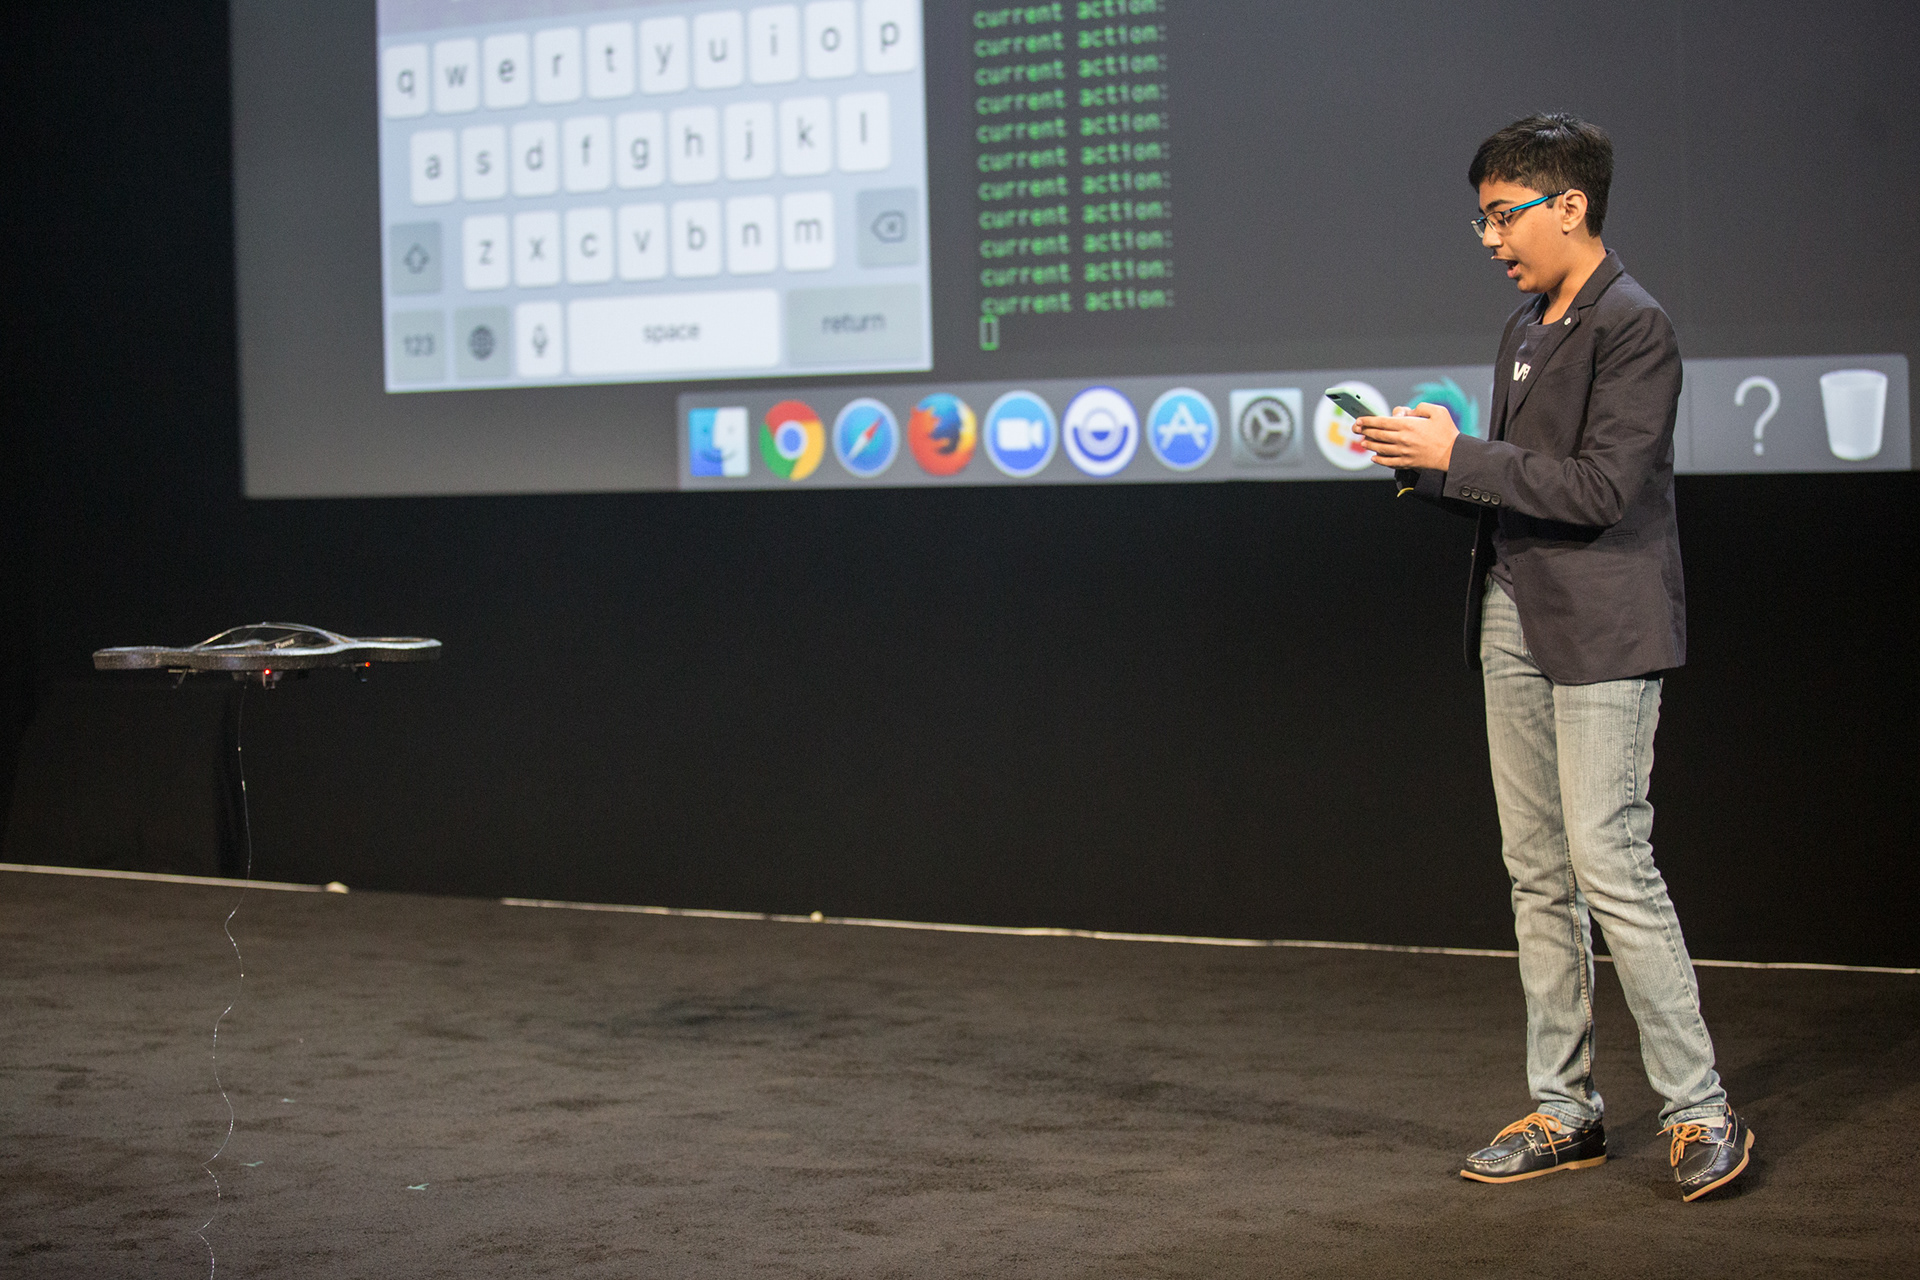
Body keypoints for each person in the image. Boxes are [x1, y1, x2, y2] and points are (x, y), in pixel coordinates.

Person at [1355, 113, 1754, 1202]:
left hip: (1603, 627)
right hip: (1512, 613)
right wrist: (1425, 463)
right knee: (1537, 873)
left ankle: (1701, 1106)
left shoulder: (1635, 326)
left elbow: (1599, 490)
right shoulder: (1527, 324)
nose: (1490, 239)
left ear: (1568, 204)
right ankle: (1567, 1106)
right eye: (1482, 219)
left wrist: (1462, 453)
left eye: (1502, 216)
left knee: (1610, 861)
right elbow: (1520, 485)